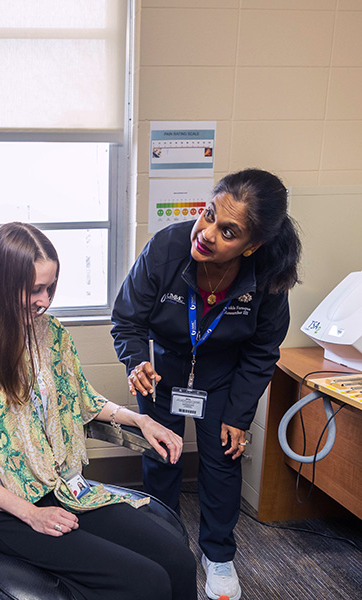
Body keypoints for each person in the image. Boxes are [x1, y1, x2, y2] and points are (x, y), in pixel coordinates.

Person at [0, 222, 197, 600]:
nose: (44, 300)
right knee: (145, 582)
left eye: (50, 287)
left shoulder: (50, 333)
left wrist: (140, 419)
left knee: (179, 560)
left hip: (64, 488)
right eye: (33, 289)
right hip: (4, 509)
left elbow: (82, 401)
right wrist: (32, 514)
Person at [111, 169, 301, 600]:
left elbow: (262, 350)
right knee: (162, 459)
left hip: (223, 378)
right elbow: (128, 318)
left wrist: (239, 414)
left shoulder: (267, 277)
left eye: (228, 231)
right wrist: (136, 360)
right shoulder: (167, 248)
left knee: (222, 465)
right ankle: (165, 541)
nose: (207, 233)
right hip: (165, 372)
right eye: (209, 214)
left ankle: (218, 555)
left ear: (252, 246)